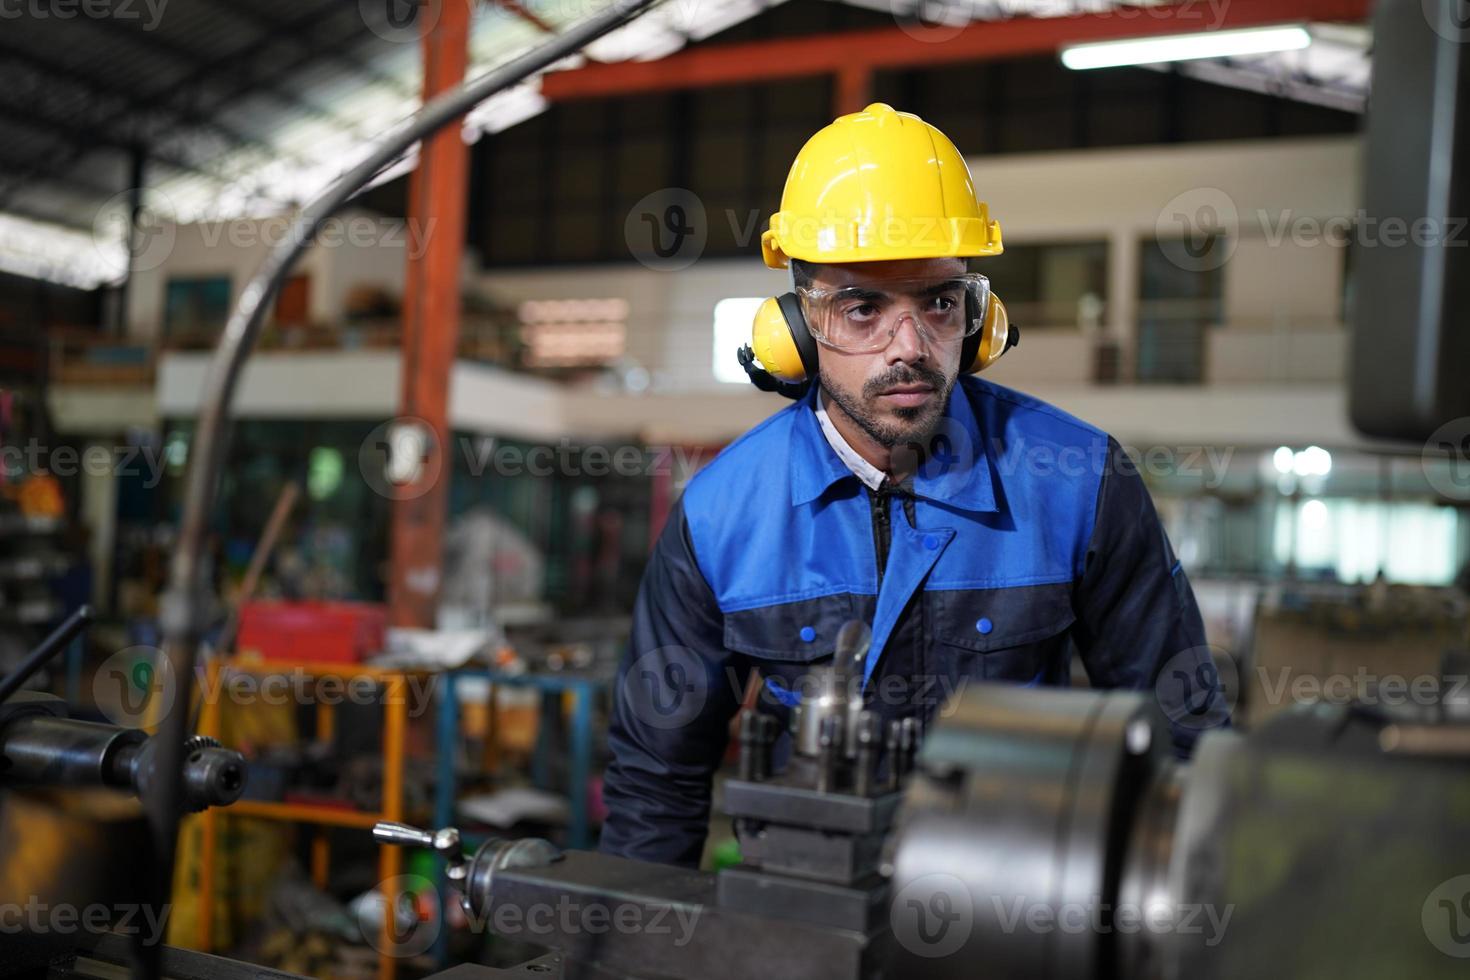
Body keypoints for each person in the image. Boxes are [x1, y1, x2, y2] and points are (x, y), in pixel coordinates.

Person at [601, 104, 1227, 868]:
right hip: (808, 914)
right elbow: (657, 784)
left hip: (1017, 913)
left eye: (938, 303)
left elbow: (1185, 737)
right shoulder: (721, 517)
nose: (911, 347)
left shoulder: (1080, 483)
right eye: (863, 308)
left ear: (981, 317)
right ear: (796, 332)